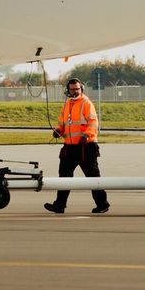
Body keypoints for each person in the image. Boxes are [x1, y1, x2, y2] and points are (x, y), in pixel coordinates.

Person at [45, 78, 110, 214]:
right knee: (64, 176)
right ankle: (59, 205)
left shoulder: (86, 103)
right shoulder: (67, 104)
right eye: (72, 89)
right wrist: (58, 131)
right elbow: (63, 123)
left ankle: (102, 204)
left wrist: (86, 135)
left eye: (77, 89)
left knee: (92, 177)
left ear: (81, 89)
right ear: (67, 90)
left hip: (86, 147)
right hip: (70, 147)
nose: (75, 91)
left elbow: (93, 122)